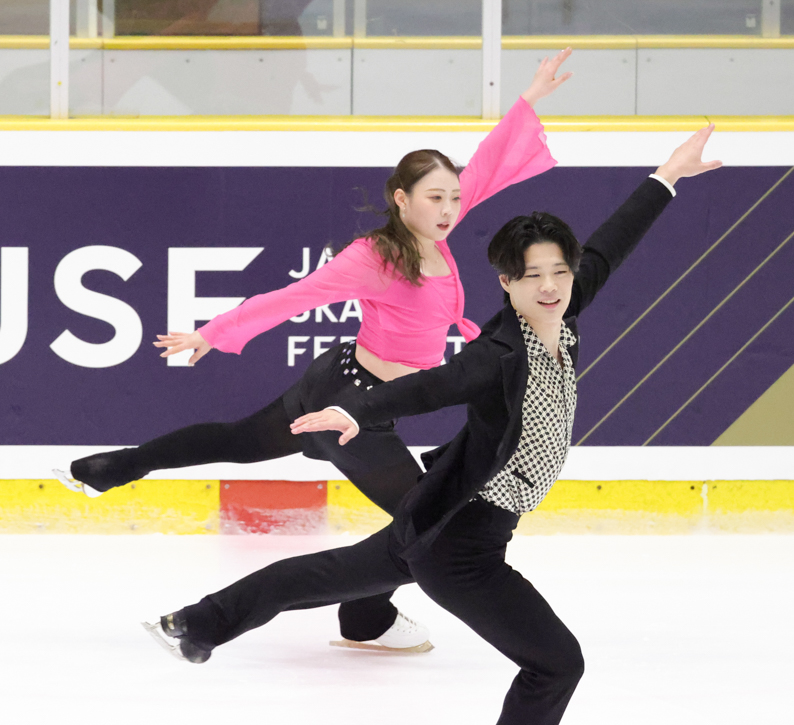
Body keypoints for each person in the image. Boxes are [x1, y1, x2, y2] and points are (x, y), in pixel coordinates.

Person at [143, 127, 722, 725]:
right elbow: (427, 387)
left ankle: (198, 622)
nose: (549, 286)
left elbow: (611, 244)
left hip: (438, 512)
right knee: (556, 662)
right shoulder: (497, 353)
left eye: (559, 272)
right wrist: (355, 411)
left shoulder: (564, 309)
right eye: (531, 276)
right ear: (505, 283)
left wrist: (667, 175)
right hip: (461, 542)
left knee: (330, 574)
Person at [56, 50, 574, 653]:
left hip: (342, 385)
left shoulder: (438, 230)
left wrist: (528, 100)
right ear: (401, 198)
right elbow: (293, 298)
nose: (449, 209)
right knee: (427, 529)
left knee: (238, 441)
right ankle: (361, 621)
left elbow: (486, 167)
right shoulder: (375, 257)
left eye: (454, 199)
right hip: (351, 411)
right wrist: (213, 333)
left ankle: (107, 469)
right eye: (435, 198)